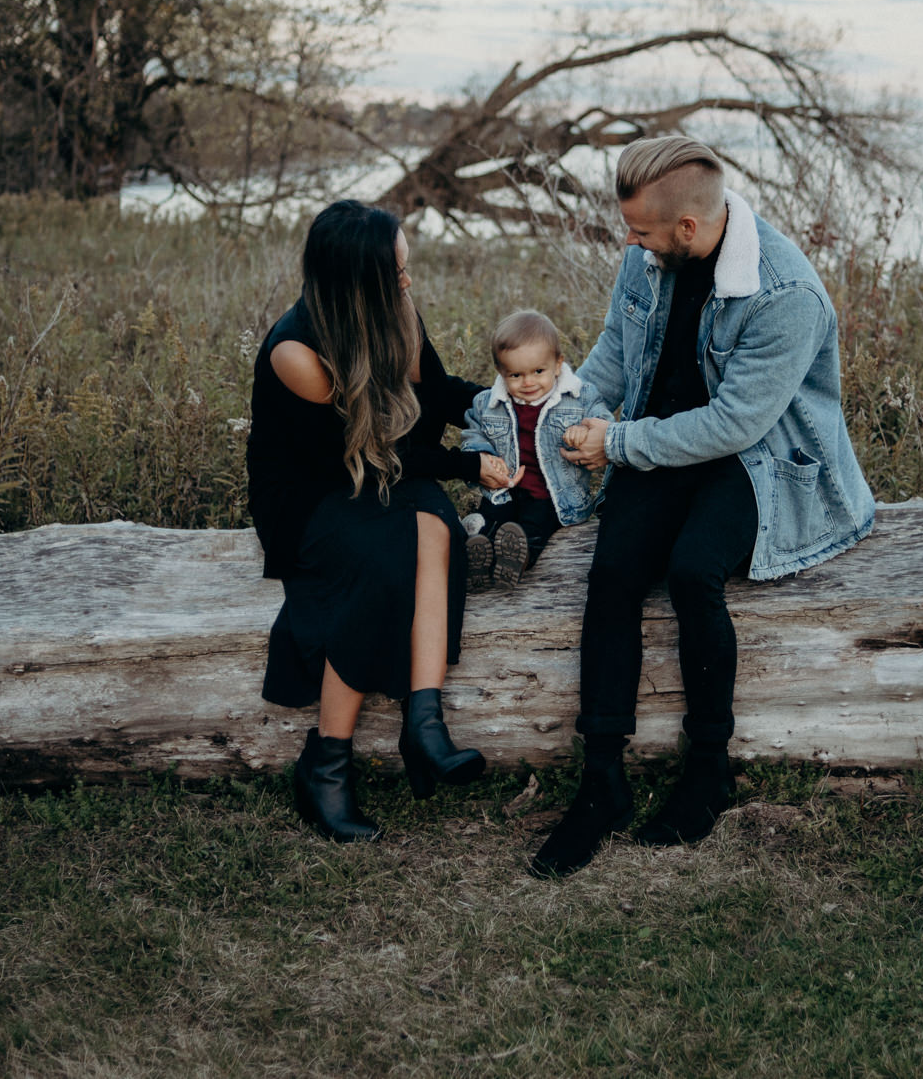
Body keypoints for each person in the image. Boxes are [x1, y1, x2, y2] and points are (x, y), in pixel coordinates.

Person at [530, 136, 876, 877]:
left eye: (640, 230)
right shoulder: (648, 260)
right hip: (661, 444)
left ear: (688, 229)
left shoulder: (787, 295)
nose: (628, 242)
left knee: (692, 572)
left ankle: (709, 767)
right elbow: (614, 361)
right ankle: (602, 784)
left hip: (759, 462)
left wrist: (617, 444)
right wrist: (558, 416)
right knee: (614, 572)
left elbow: (735, 425)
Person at [246, 200, 518, 841]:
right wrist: (463, 464)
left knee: (437, 531)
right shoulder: (298, 354)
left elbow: (435, 393)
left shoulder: (396, 312)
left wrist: (508, 404)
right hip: (313, 491)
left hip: (384, 470)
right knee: (382, 559)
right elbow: (374, 444)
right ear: (358, 279)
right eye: (396, 272)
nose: (408, 281)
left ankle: (425, 724)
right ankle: (327, 763)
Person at [457, 309, 600, 590]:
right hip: (504, 488)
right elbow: (473, 430)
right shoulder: (487, 403)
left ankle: (519, 559)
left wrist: (584, 431)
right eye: (516, 375)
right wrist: (481, 454)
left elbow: (602, 419)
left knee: (532, 528)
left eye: (538, 371)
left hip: (548, 494)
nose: (528, 382)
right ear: (501, 372)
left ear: (558, 365)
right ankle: (478, 560)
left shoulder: (579, 397)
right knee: (491, 519)